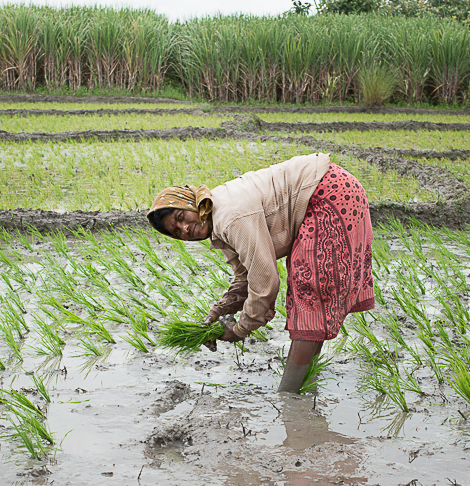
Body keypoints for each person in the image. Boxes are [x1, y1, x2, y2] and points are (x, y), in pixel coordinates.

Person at [146, 153, 375, 393]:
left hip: (328, 193)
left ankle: (289, 397)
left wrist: (240, 329)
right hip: (331, 188)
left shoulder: (229, 216)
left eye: (182, 217)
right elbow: (245, 277)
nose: (185, 229)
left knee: (309, 293)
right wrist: (219, 311)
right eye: (177, 231)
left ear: (192, 203)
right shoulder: (219, 221)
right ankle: (304, 384)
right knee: (311, 300)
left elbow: (264, 280)